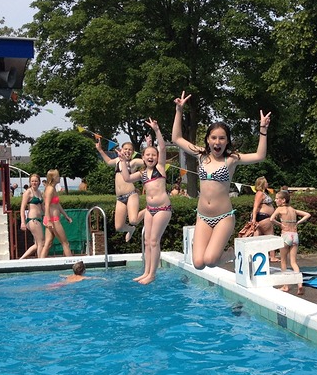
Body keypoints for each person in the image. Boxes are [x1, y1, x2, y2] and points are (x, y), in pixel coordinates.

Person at [171, 90, 271, 269]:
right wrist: (179, 111)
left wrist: (263, 130)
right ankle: (226, 254)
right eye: (214, 138)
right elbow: (176, 138)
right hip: (202, 216)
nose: (217, 142)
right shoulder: (201, 155)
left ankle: (230, 254)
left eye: (222, 138)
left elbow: (260, 155)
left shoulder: (231, 159)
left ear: (227, 141)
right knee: (199, 264)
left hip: (223, 217)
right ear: (208, 140)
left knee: (210, 261)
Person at [120, 118, 171, 284]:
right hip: (149, 209)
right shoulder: (142, 174)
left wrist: (156, 130)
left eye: (153, 155)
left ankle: (152, 274)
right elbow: (127, 178)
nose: (151, 157)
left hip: (163, 209)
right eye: (148, 155)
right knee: (147, 241)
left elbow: (162, 147)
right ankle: (146, 271)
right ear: (143, 157)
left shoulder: (160, 168)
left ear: (157, 157)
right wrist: (122, 160)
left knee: (154, 241)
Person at [95, 137, 144, 242]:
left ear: (133, 152)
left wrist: (149, 145)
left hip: (131, 194)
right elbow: (108, 162)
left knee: (134, 220)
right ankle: (131, 229)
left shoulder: (133, 162)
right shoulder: (118, 161)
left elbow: (146, 161)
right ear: (121, 150)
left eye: (130, 149)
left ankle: (149, 210)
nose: (127, 151)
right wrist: (100, 150)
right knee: (119, 227)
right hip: (120, 198)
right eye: (125, 149)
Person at [270, 190, 311, 295]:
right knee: (293, 262)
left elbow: (271, 219)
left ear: (283, 200)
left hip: (285, 235)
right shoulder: (293, 210)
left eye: (276, 198)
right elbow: (307, 214)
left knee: (283, 261)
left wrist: (280, 224)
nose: (275, 200)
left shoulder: (279, 209)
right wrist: (298, 222)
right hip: (295, 236)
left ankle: (285, 285)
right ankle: (299, 284)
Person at [39, 169, 73, 258]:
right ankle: (71, 264)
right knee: (65, 243)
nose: (60, 178)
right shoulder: (50, 189)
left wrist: (66, 216)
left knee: (48, 243)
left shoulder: (52, 188)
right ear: (53, 178)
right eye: (58, 176)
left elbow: (57, 204)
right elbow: (46, 206)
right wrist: (49, 221)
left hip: (50, 219)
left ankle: (39, 264)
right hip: (53, 220)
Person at [251, 176, 279, 262]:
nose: (267, 184)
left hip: (262, 217)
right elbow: (255, 206)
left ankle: (254, 255)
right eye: (266, 182)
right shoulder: (260, 193)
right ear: (262, 184)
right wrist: (253, 219)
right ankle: (272, 256)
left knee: (257, 237)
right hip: (264, 217)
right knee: (270, 237)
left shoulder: (263, 193)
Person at [19, 174, 45, 259]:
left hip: (39, 219)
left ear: (39, 182)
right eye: (32, 181)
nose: (34, 183)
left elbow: (43, 207)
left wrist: (48, 216)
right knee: (41, 242)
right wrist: (23, 222)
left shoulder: (40, 192)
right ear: (30, 182)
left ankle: (21, 259)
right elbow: (22, 208)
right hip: (32, 220)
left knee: (37, 244)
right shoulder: (28, 192)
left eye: (36, 181)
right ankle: (41, 261)